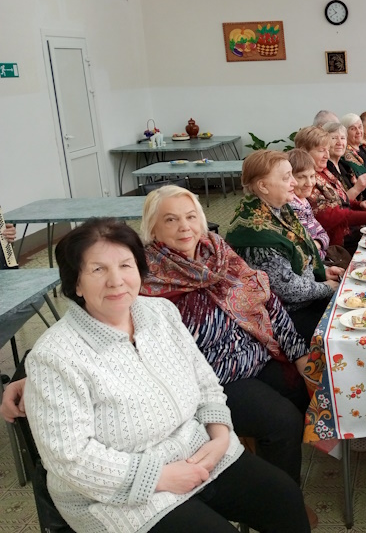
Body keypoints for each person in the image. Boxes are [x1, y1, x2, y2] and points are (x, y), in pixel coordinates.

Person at [24, 218, 309, 533]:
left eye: (125, 265)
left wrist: (220, 434)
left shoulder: (160, 313)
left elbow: (205, 383)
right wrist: (159, 477)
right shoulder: (54, 356)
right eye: (98, 270)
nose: (117, 281)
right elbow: (70, 459)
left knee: (284, 498)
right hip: (117, 492)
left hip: (197, 450)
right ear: (75, 283)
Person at [138, 187, 314, 511]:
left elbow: (266, 300)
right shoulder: (146, 279)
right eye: (171, 220)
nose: (184, 227)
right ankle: (281, 505)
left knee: (307, 390)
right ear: (153, 229)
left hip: (257, 355)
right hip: (214, 380)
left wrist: (299, 353)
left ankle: (271, 481)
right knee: (283, 421)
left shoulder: (217, 252)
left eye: (191, 217)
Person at [226, 150, 344, 341]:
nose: (294, 183)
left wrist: (322, 271)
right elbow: (288, 290)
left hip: (305, 300)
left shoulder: (276, 210)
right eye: (286, 177)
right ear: (263, 186)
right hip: (285, 319)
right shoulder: (256, 234)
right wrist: (327, 288)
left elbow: (300, 256)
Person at [300, 124, 366, 252]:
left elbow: (339, 199)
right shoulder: (306, 181)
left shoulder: (324, 171)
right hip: (338, 246)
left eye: (327, 150)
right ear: (304, 152)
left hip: (351, 233)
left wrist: (359, 205)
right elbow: (330, 216)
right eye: (322, 150)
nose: (327, 155)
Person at [288, 148, 330, 259]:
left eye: (312, 176)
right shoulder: (293, 208)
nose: (309, 183)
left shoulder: (303, 202)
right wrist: (319, 247)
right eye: (301, 177)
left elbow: (323, 233)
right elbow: (309, 252)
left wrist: (319, 243)